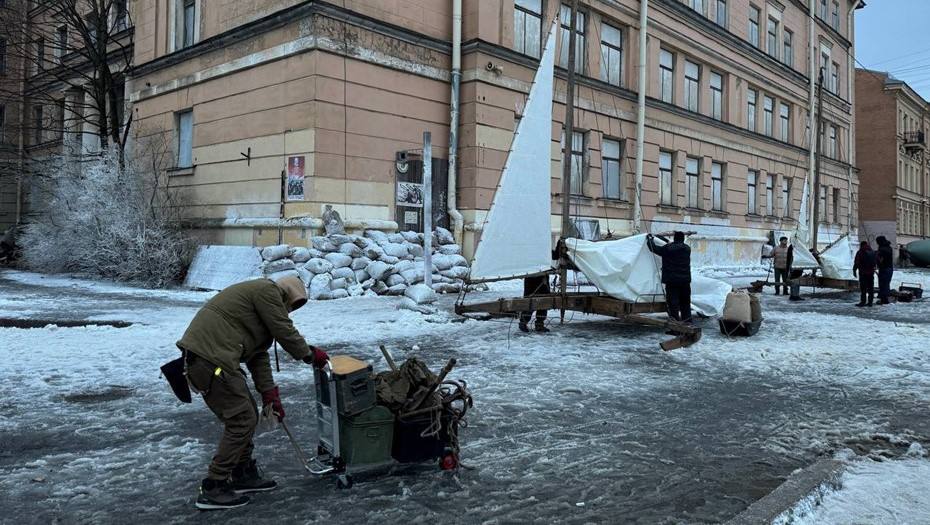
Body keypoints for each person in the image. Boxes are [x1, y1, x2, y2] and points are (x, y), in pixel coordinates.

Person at [176, 276, 329, 510]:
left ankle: (242, 472)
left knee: (247, 415)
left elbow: (258, 356)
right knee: (241, 419)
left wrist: (270, 394)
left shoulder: (259, 313)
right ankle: (213, 486)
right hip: (209, 359)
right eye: (291, 305)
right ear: (285, 295)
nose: (288, 311)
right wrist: (309, 354)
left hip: (215, 360)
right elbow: (284, 329)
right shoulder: (267, 290)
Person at [647, 232, 692, 325]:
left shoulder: (668, 249)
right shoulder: (687, 249)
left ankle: (675, 326)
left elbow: (654, 248)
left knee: (673, 304)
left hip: (672, 282)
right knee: (685, 304)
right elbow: (671, 245)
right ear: (683, 239)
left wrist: (650, 240)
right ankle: (688, 324)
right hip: (685, 282)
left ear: (674, 239)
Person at [853, 240, 876, 307]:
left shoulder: (860, 252)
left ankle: (863, 302)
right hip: (871, 273)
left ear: (861, 245)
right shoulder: (872, 251)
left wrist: (854, 270)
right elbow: (875, 261)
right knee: (870, 288)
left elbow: (857, 262)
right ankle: (870, 302)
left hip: (863, 273)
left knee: (863, 288)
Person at [875, 236, 895, 305]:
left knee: (883, 284)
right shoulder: (889, 248)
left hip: (885, 268)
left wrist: (876, 254)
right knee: (885, 284)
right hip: (888, 268)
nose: (877, 243)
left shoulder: (882, 249)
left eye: (877, 242)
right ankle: (884, 298)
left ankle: (884, 300)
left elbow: (880, 258)